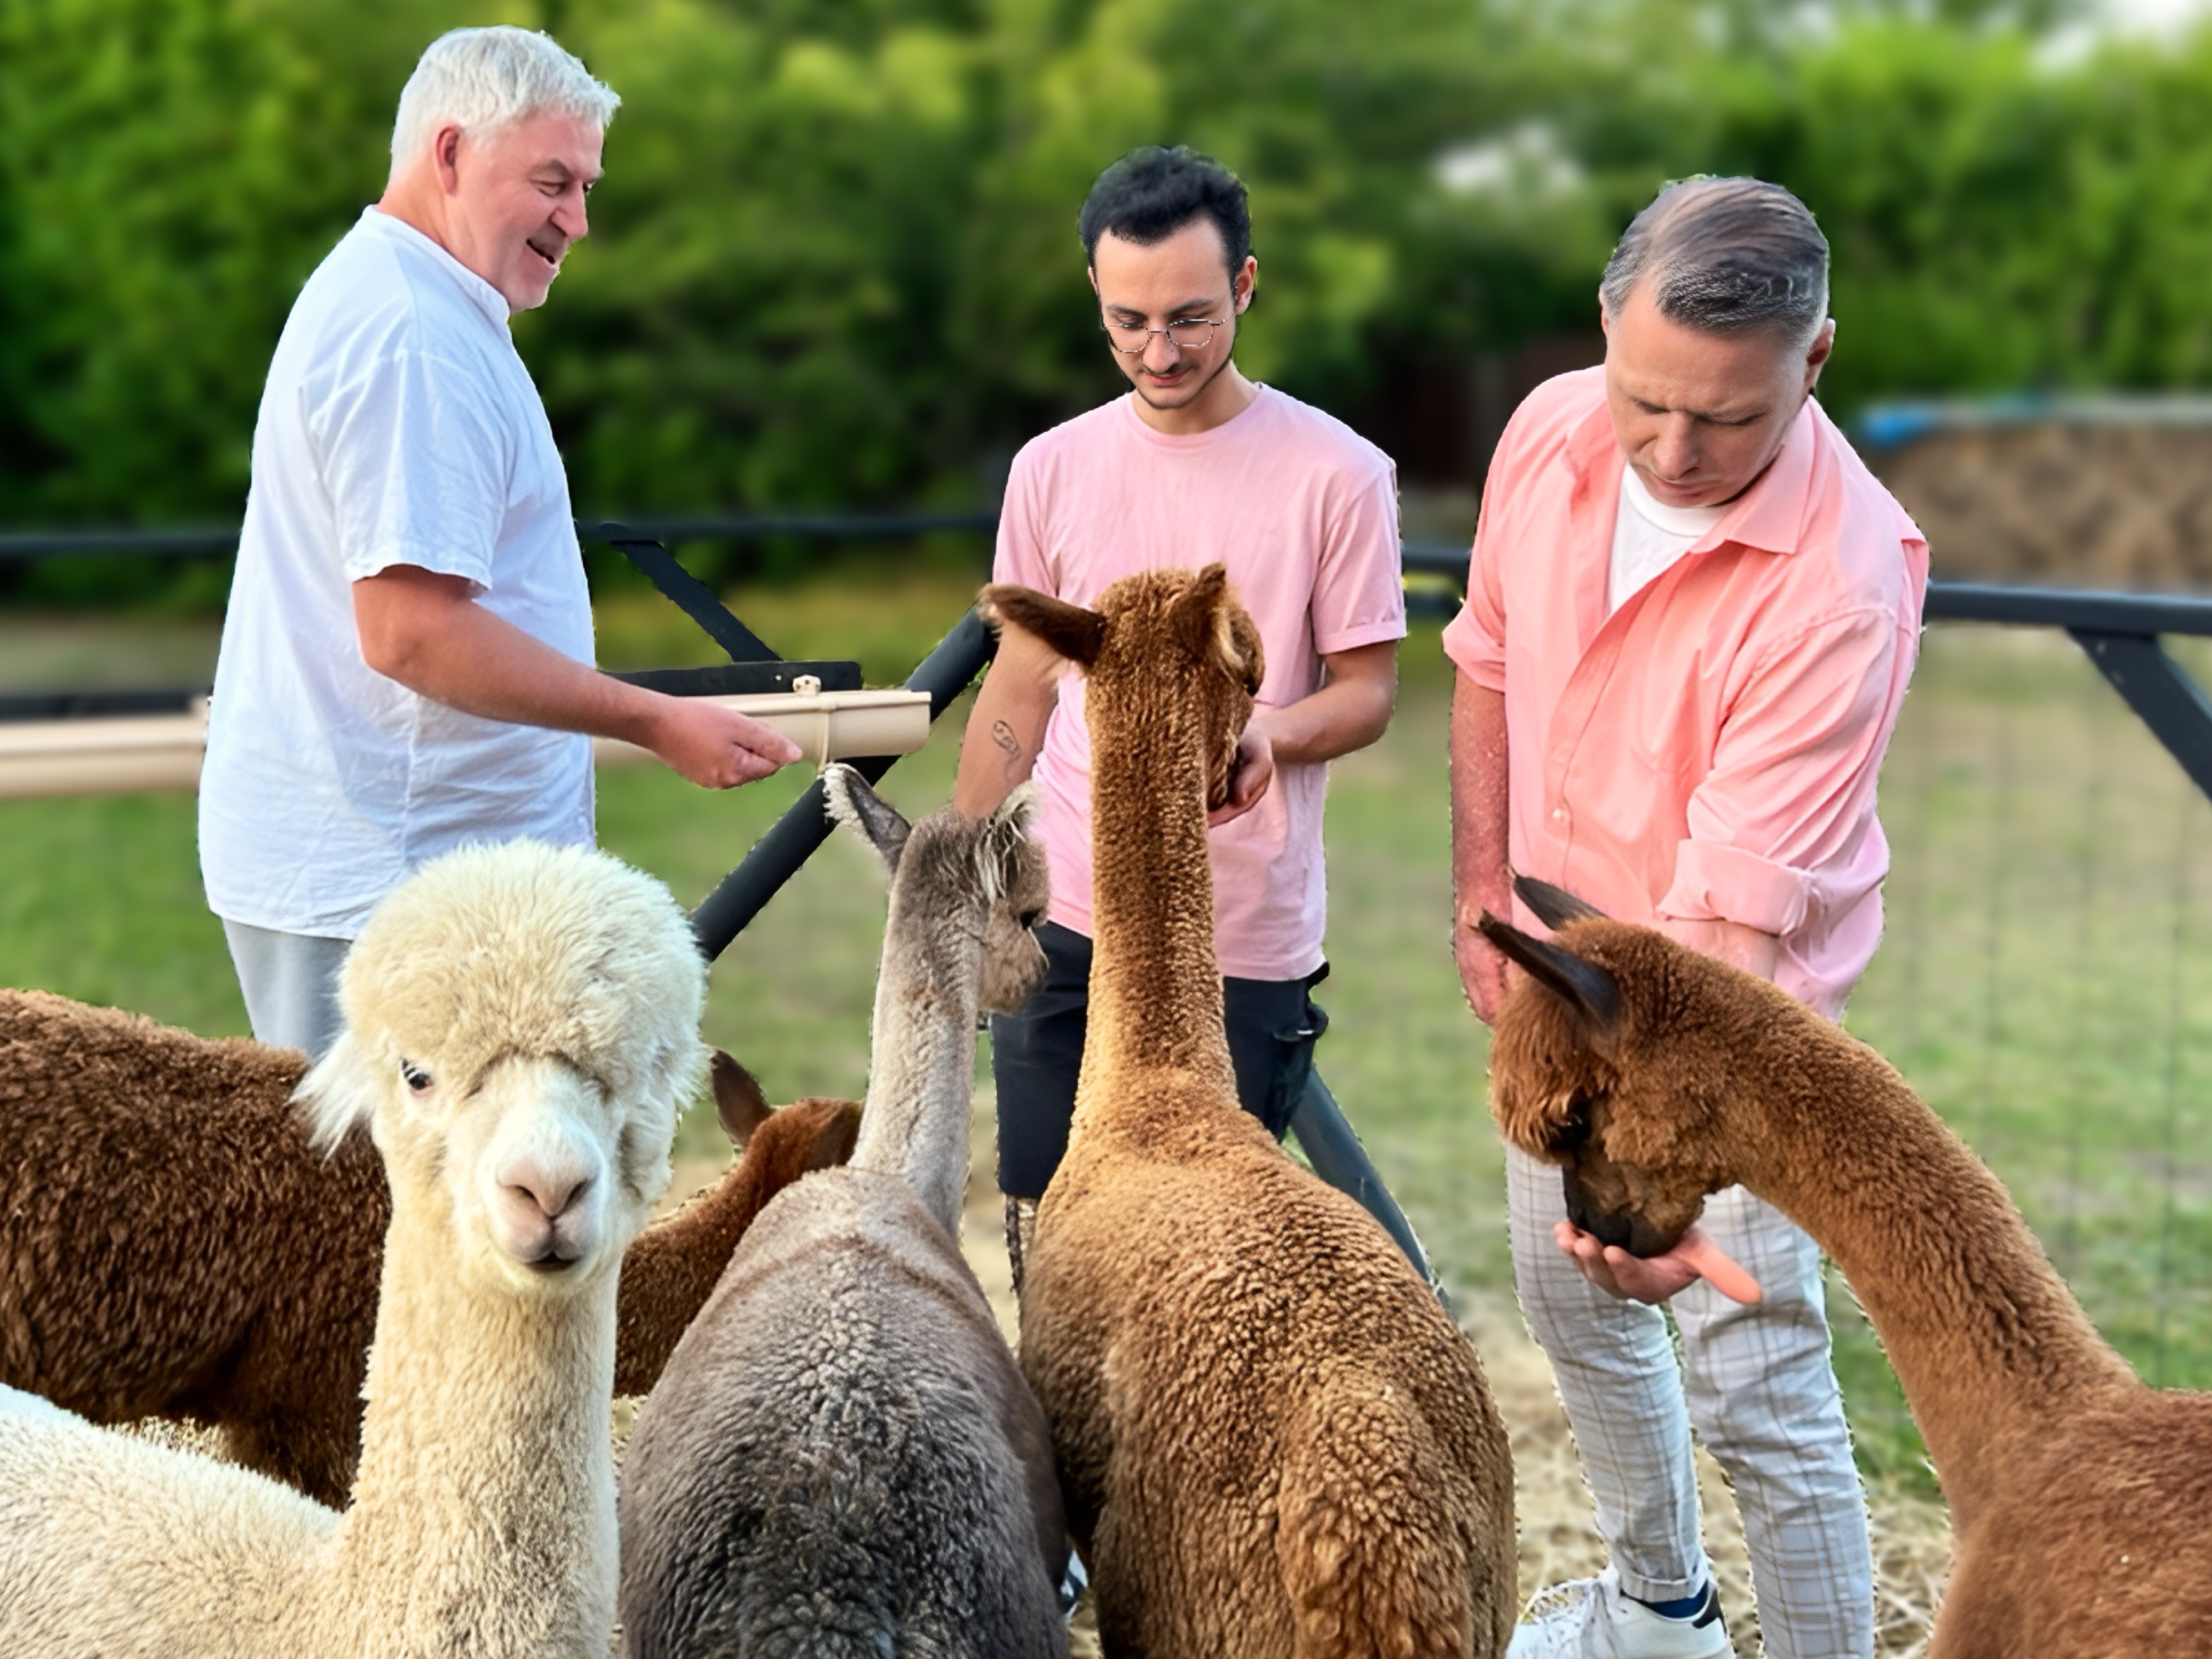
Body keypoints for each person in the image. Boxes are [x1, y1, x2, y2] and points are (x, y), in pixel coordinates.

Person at [1448, 177, 1926, 1659]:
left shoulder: (1844, 585)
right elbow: (1487, 661)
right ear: (1605, 329)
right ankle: (1662, 1612)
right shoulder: (1547, 428)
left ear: (1817, 358)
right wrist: (1481, 885)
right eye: (1645, 398)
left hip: (1729, 1043)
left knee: (1756, 1382)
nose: (1672, 448)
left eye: (1728, 418)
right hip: (1558, 995)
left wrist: (1665, 1185)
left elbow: (1725, 947)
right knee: (1564, 1290)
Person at [199, 26, 799, 1058]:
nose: (578, 220)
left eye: (587, 189)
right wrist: (652, 720)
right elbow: (411, 633)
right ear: (449, 155)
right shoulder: (410, 334)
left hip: (412, 876)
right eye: (554, 182)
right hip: (385, 886)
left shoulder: (428, 304)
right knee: (379, 1216)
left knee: (457, 1213)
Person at [951, 145, 1406, 1281]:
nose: (1160, 352)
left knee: (1205, 1260)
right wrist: (964, 883)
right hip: (1063, 919)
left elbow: (1366, 693)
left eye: (1193, 319)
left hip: (1233, 935)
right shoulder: (1052, 469)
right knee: (1049, 1242)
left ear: (1246, 287)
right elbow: (1016, 686)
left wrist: (1264, 737)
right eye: (1129, 321)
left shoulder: (1337, 474)